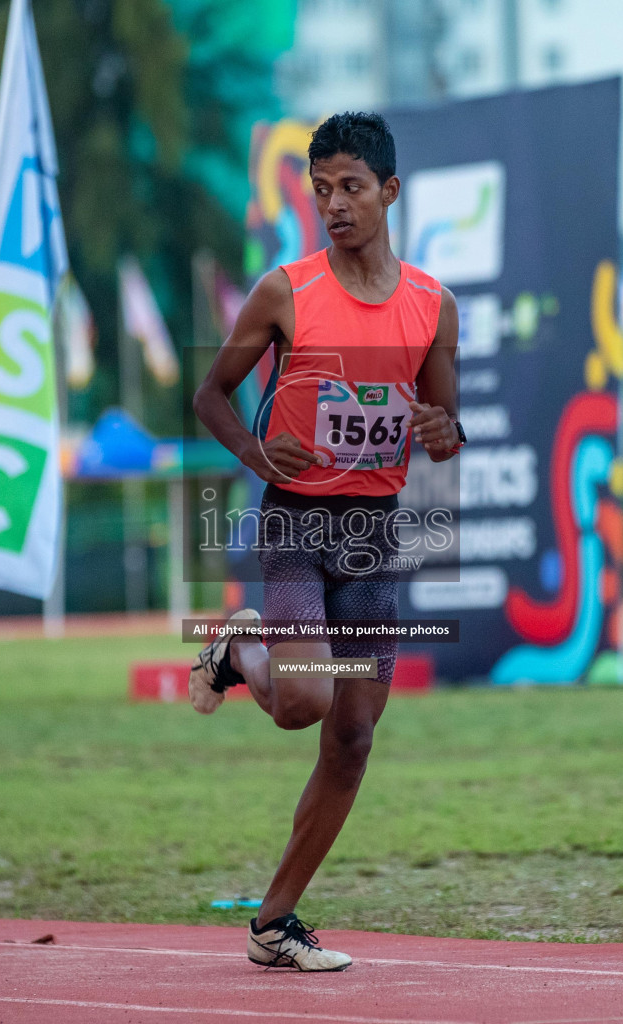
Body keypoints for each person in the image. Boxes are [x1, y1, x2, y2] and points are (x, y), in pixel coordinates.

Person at [190, 111, 465, 972]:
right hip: (296, 523)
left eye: (350, 187)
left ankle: (275, 923)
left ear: (389, 190)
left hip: (372, 535)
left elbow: (448, 428)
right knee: (306, 698)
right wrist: (254, 449)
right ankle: (237, 648)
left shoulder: (432, 305)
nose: (334, 205)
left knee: (351, 737)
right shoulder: (286, 291)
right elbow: (211, 396)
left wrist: (441, 428)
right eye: (321, 190)